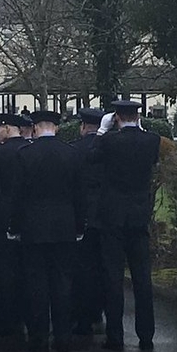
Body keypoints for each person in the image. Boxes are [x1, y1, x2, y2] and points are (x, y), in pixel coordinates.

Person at [89, 100, 161, 352]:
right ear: (138, 116)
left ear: (117, 117)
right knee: (142, 276)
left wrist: (100, 131)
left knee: (113, 276)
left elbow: (92, 158)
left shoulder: (108, 141)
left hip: (112, 216)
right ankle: (146, 334)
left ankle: (116, 336)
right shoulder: (152, 140)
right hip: (139, 215)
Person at [10, 110, 82, 352]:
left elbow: (17, 196)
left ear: (35, 127)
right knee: (63, 281)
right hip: (64, 226)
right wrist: (79, 226)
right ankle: (63, 335)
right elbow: (78, 195)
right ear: (57, 128)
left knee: (36, 282)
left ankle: (38, 335)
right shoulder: (71, 154)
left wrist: (15, 226)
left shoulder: (25, 155)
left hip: (33, 226)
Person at [0, 113, 28, 336]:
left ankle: (6, 320)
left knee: (5, 269)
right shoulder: (28, 149)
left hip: (4, 216)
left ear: (5, 128)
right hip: (28, 216)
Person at [70, 107, 107, 337]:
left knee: (81, 269)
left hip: (80, 216)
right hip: (104, 215)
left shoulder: (74, 150)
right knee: (103, 267)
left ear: (83, 126)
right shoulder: (109, 148)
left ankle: (81, 318)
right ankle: (98, 312)